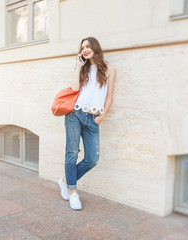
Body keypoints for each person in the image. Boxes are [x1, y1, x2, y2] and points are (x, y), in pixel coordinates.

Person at [58, 37, 116, 210]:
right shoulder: (82, 69)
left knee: (92, 159)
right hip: (74, 114)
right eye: (82, 47)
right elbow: (74, 89)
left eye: (88, 46)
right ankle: (73, 193)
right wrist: (78, 67)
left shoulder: (109, 68)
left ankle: (66, 180)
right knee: (72, 153)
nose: (85, 49)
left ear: (95, 47)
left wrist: (102, 116)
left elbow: (109, 95)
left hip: (93, 118)